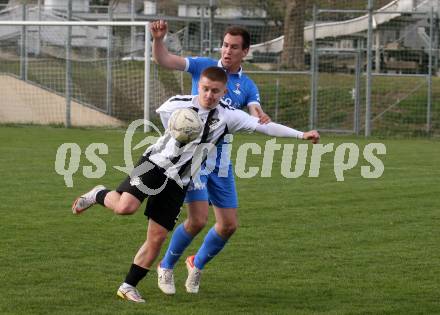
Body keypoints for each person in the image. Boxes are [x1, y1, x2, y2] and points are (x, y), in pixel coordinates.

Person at [71, 67, 320, 303]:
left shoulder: (228, 116)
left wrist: (301, 135)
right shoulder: (178, 103)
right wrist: (179, 129)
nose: (209, 95)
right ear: (199, 87)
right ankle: (98, 194)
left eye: (215, 91)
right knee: (125, 207)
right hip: (154, 164)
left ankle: (127, 287)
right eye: (205, 89)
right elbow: (164, 117)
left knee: (157, 237)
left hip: (180, 180)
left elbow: (264, 127)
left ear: (224, 92)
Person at [150, 20, 273, 295]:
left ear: (246, 52)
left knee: (228, 225)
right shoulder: (203, 66)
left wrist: (260, 116)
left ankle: (196, 263)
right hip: (194, 160)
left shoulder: (247, 85)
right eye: (225, 45)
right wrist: (159, 40)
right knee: (197, 220)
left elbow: (255, 108)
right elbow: (165, 59)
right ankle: (166, 265)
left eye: (234, 47)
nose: (228, 51)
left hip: (221, 161)